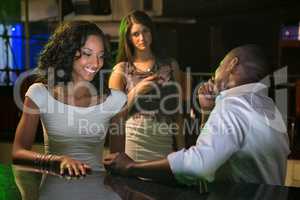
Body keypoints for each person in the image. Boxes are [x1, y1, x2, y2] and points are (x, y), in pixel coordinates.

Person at [104, 44, 290, 186]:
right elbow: (218, 150)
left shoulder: (233, 105)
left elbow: (200, 166)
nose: (216, 71)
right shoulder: (269, 108)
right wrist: (207, 112)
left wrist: (131, 167)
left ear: (232, 65)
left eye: (220, 65)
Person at [12, 21, 126, 199]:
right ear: (68, 51)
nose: (96, 63)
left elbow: (118, 164)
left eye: (101, 56)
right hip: (54, 191)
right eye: (87, 54)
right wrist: (56, 161)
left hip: (100, 192)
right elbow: (17, 153)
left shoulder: (116, 100)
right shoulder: (40, 94)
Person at [109, 10, 187, 161]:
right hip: (134, 146)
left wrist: (183, 153)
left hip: (164, 143)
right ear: (128, 38)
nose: (142, 38)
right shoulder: (121, 70)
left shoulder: (170, 65)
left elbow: (177, 114)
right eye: (135, 34)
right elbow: (114, 119)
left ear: (152, 32)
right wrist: (136, 92)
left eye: (145, 31)